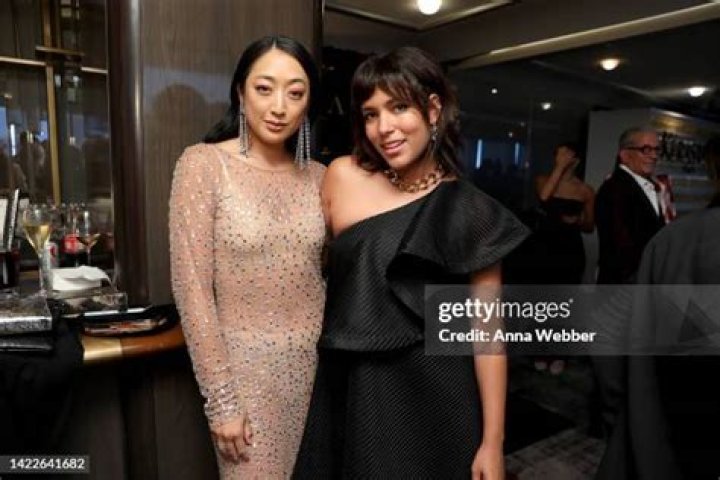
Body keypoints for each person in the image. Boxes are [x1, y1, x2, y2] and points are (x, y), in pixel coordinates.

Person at [292, 47, 529, 479]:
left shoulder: (469, 210)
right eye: (370, 114)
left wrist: (493, 442)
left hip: (438, 393)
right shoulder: (342, 176)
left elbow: (488, 332)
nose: (384, 128)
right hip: (354, 385)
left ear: (433, 110)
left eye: (399, 107)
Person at [168, 35, 325, 478]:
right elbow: (192, 290)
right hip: (246, 378)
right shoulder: (204, 165)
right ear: (240, 92)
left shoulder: (320, 176)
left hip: (319, 373)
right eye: (264, 88)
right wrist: (222, 400)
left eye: (295, 93)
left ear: (308, 103)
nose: (279, 107)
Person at [533, 142, 594, 374]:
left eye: (564, 155)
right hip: (545, 248)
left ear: (575, 160)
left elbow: (590, 226)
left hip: (570, 250)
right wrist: (559, 168)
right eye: (557, 155)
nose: (559, 158)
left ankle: (560, 353)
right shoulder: (543, 180)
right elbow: (544, 197)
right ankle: (540, 351)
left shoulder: (585, 190)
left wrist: (577, 221)